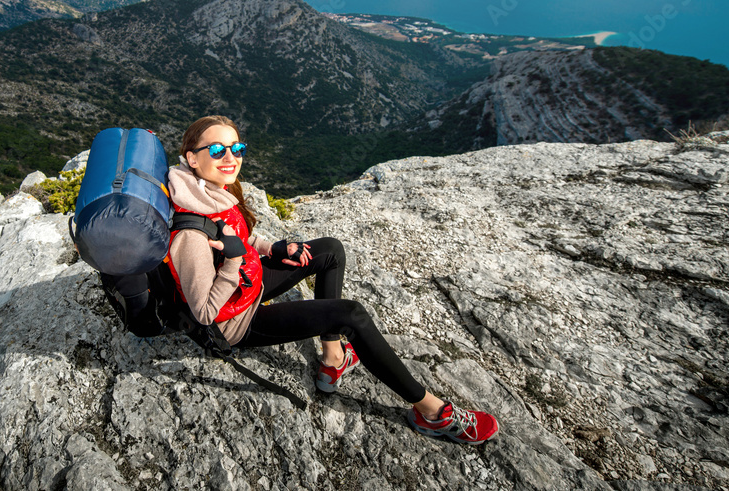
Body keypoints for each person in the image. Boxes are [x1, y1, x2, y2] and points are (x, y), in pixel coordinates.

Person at [166, 115, 500, 444]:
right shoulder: (190, 235)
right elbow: (205, 313)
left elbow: (234, 237)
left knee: (329, 250)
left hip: (246, 284)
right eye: (217, 150)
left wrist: (274, 247)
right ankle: (433, 413)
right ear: (191, 158)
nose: (230, 158)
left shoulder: (207, 191)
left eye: (237, 148)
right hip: (235, 322)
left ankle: (332, 359)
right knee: (350, 314)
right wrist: (235, 260)